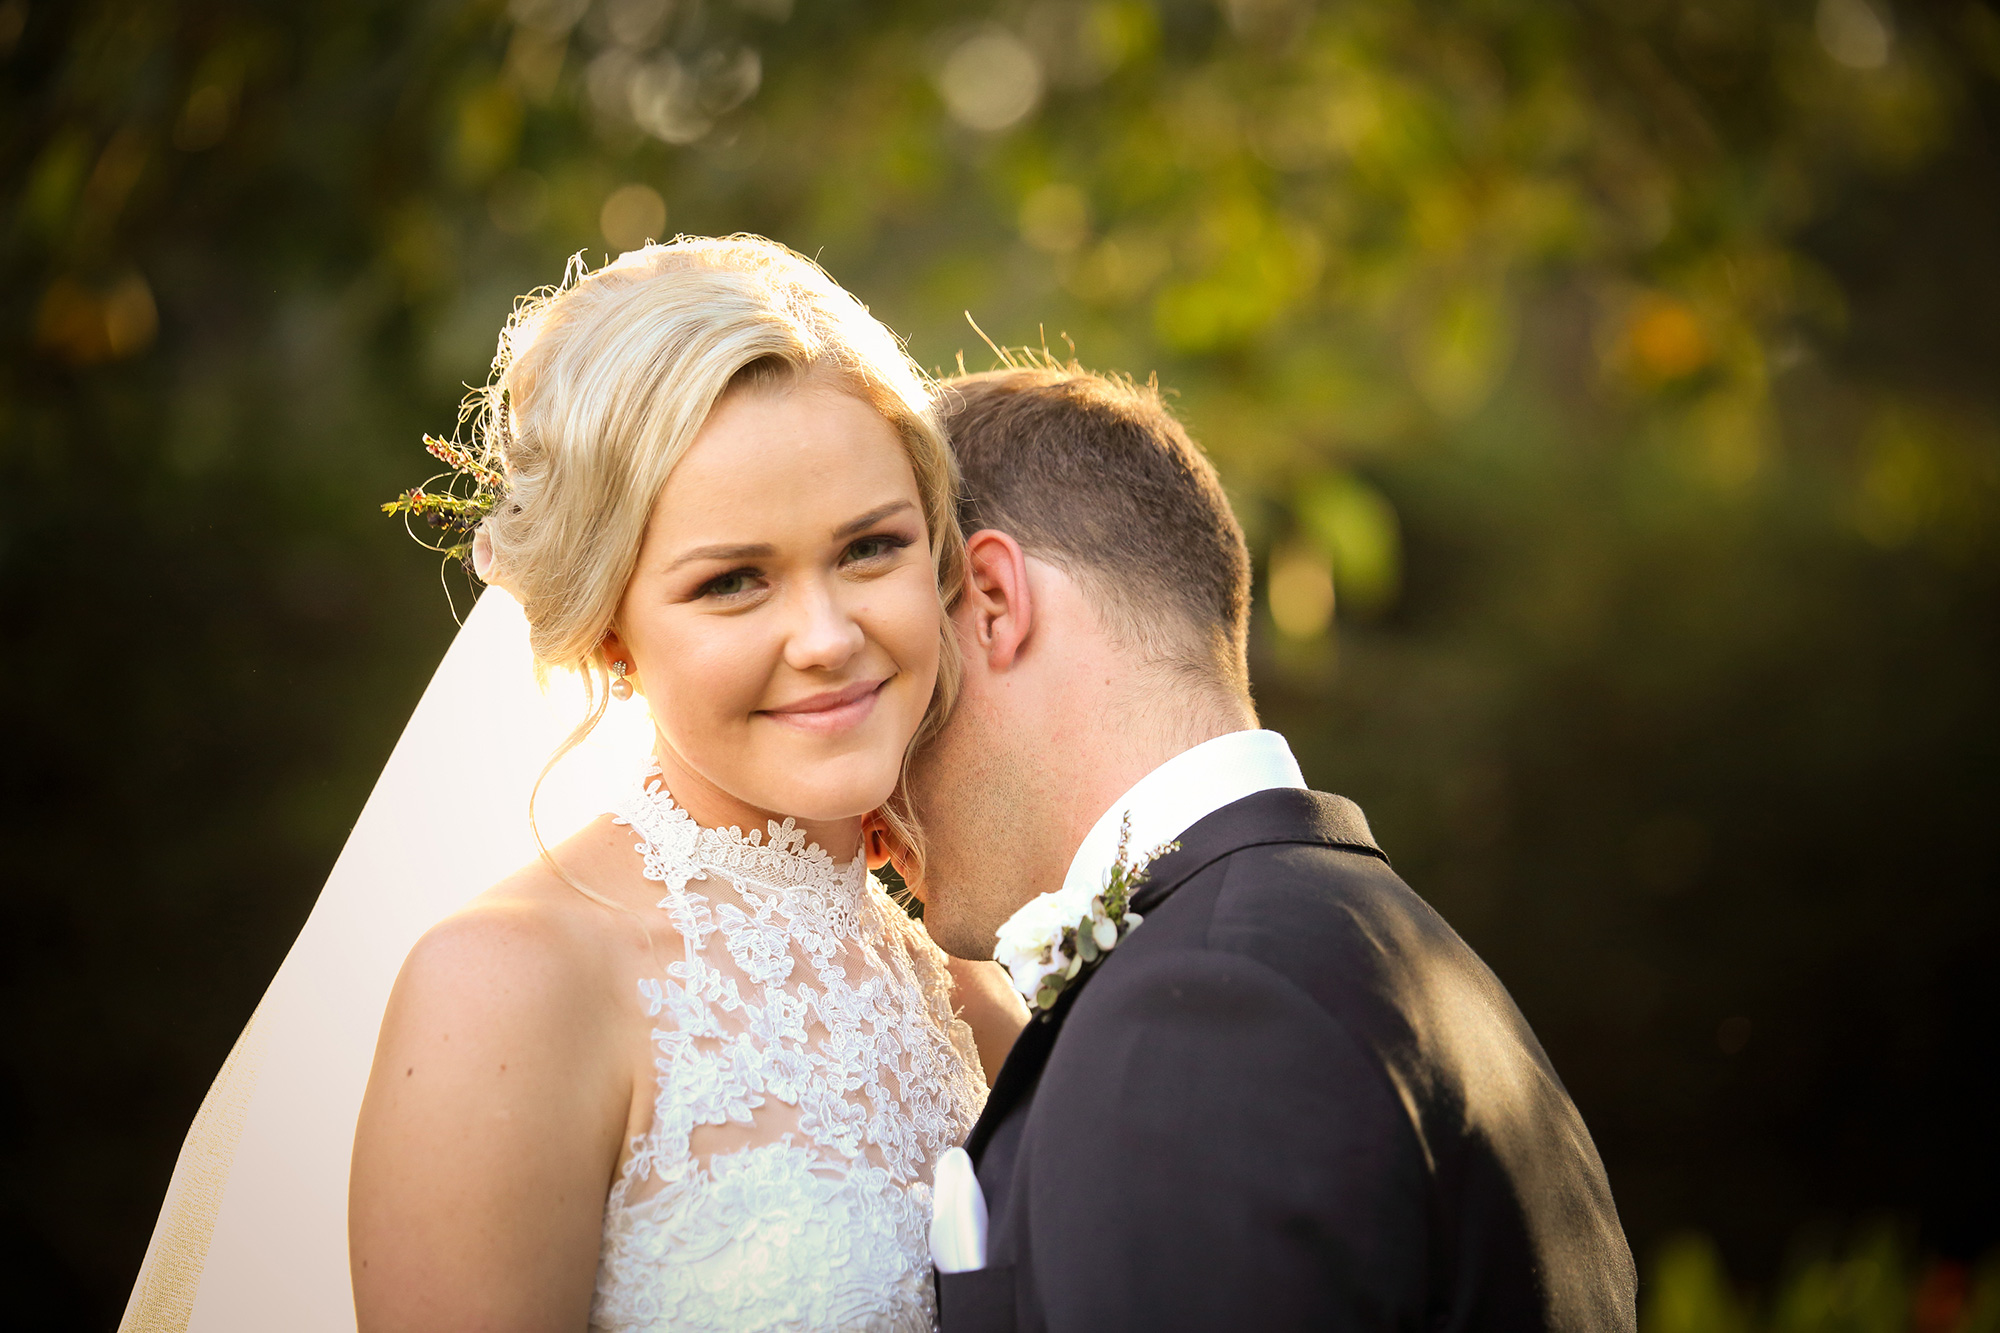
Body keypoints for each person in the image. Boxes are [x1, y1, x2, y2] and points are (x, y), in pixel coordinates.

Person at [120, 236, 1025, 1333]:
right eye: (733, 582)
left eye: (869, 548)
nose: (828, 636)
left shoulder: (963, 989)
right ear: (608, 630)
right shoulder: (508, 987)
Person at [903, 364, 1640, 1331]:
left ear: (992, 599)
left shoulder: (1198, 1019)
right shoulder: (1415, 964)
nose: (868, 777)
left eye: (893, 666)